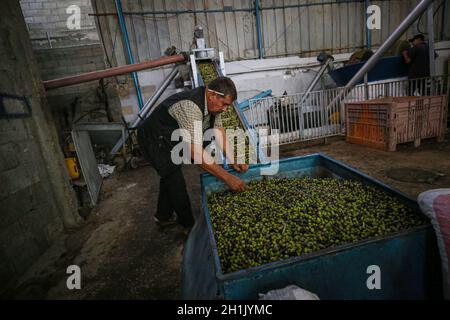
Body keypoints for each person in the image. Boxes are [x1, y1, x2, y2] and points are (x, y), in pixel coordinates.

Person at [137, 77, 248, 229]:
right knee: (174, 179)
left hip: (171, 136)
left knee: (169, 175)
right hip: (154, 138)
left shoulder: (213, 105)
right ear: (212, 95)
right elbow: (196, 154)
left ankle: (162, 216)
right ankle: (188, 226)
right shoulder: (191, 106)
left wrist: (232, 159)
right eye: (224, 104)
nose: (225, 109)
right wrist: (227, 178)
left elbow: (218, 130)